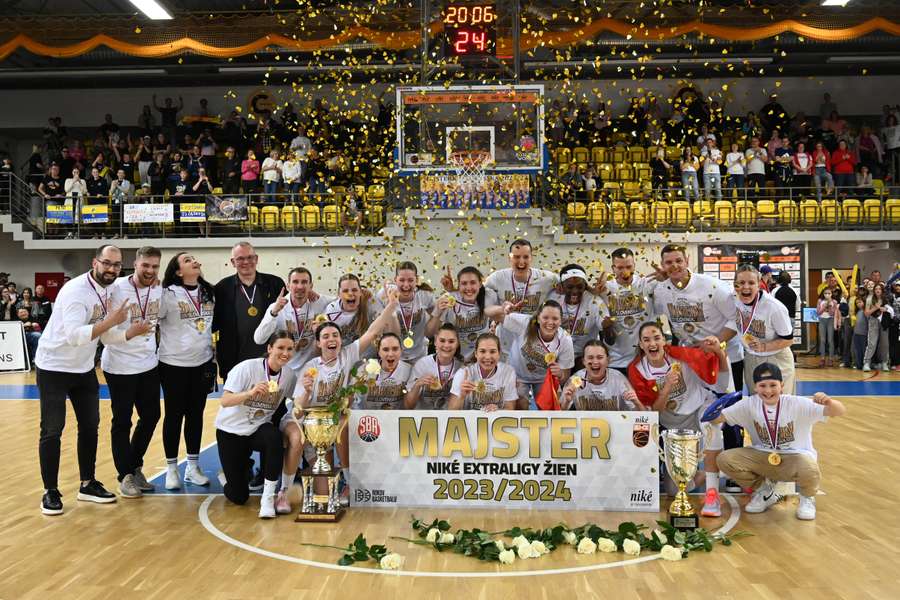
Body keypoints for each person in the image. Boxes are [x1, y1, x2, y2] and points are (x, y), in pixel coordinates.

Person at [35, 245, 152, 515]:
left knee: (90, 426)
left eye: (116, 265)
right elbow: (75, 336)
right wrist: (112, 320)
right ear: (94, 262)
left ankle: (87, 484)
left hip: (84, 367)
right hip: (54, 367)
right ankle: (50, 491)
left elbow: (105, 335)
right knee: (52, 430)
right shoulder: (76, 292)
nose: (112, 269)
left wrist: (128, 333)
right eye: (107, 263)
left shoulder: (110, 291)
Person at [287, 288, 400, 509]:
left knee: (343, 424)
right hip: (312, 425)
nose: (332, 339)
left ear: (341, 340)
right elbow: (298, 411)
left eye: (335, 335)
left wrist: (391, 306)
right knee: (323, 495)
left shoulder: (347, 355)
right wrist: (307, 393)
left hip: (335, 421)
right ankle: (285, 490)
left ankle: (349, 483)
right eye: (326, 336)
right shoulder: (309, 369)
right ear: (318, 343)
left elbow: (373, 331)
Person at [712, 363, 846, 521]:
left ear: (781, 386)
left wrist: (829, 403)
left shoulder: (797, 403)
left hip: (795, 459)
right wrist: (711, 410)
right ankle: (765, 492)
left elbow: (839, 411)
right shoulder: (749, 404)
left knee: (809, 465)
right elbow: (720, 418)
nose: (768, 391)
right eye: (762, 385)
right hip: (763, 457)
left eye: (773, 385)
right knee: (725, 459)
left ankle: (807, 498)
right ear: (755, 387)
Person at [628, 322, 731, 517]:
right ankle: (708, 472)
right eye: (647, 339)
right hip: (670, 425)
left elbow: (720, 383)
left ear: (664, 341)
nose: (652, 343)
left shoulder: (683, 356)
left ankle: (712, 495)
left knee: (712, 422)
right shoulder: (636, 370)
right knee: (674, 491)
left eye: (657, 338)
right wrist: (666, 387)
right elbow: (654, 414)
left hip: (697, 411)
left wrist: (718, 352)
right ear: (641, 345)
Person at [100, 246, 163, 498]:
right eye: (145, 265)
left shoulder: (158, 288)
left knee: (151, 416)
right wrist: (129, 332)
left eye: (154, 266)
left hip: (148, 364)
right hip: (119, 366)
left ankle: (134, 466)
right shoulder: (116, 290)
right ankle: (124, 475)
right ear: (135, 264)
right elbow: (104, 335)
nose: (149, 270)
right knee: (122, 421)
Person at [216, 331, 297, 518]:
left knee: (275, 437)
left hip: (257, 428)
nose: (285, 353)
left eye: (290, 349)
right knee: (238, 497)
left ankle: (268, 498)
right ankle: (231, 475)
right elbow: (225, 400)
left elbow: (298, 399)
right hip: (230, 431)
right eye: (280, 348)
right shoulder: (247, 368)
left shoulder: (289, 376)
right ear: (269, 348)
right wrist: (249, 394)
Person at [157, 252, 216, 490]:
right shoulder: (167, 294)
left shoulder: (209, 292)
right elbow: (152, 322)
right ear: (178, 271)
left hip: (201, 363)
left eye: (194, 258)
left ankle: (192, 466)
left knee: (196, 415)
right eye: (187, 259)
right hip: (173, 364)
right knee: (173, 415)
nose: (194, 260)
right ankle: (172, 468)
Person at [213, 242, 286, 381]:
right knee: (236, 401)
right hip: (234, 361)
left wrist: (309, 292)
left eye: (250, 257)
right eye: (240, 258)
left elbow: (291, 307)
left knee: (272, 400)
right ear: (233, 262)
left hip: (270, 359)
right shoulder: (222, 288)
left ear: (256, 259)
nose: (246, 262)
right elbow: (212, 320)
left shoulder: (275, 283)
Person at [494, 299, 575, 410]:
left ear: (561, 321)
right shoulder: (526, 322)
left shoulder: (565, 339)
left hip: (544, 378)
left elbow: (565, 376)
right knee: (519, 405)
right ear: (538, 318)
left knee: (551, 408)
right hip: (517, 374)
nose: (550, 322)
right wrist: (503, 309)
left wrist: (560, 374)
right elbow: (494, 315)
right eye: (545, 317)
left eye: (555, 318)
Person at [253, 267, 334, 374]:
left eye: (304, 282)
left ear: (311, 285)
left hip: (312, 369)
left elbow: (343, 301)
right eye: (295, 282)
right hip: (285, 370)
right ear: (288, 286)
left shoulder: (320, 301)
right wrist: (273, 313)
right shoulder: (277, 307)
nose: (300, 286)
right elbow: (259, 339)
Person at [734, 265, 796, 394]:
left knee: (779, 404)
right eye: (741, 283)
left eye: (751, 283)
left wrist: (764, 347)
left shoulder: (774, 307)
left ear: (758, 285)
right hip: (751, 357)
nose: (746, 287)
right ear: (735, 285)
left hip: (777, 358)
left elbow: (788, 340)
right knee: (757, 403)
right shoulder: (733, 301)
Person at [597, 247, 656, 376]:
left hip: (643, 359)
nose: (625, 272)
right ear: (613, 268)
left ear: (634, 266)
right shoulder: (605, 289)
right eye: (620, 268)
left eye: (629, 267)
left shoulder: (647, 284)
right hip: (615, 360)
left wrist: (666, 278)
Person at [431, 266, 502, 361]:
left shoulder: (489, 296)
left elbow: (500, 316)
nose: (469, 287)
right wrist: (437, 313)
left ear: (480, 283)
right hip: (455, 358)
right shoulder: (448, 300)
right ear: (459, 285)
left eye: (473, 282)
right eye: (464, 283)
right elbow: (431, 332)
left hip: (482, 359)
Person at [547, 264, 609, 369]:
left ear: (585, 286)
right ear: (561, 286)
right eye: (570, 287)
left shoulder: (594, 302)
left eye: (580, 287)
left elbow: (609, 339)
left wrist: (608, 327)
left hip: (583, 357)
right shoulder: (553, 298)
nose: (575, 291)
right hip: (558, 354)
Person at [376, 261, 436, 364]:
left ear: (416, 280)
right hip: (393, 355)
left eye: (410, 280)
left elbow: (434, 322)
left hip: (419, 354)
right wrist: (391, 304)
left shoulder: (425, 295)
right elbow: (392, 333)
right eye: (402, 280)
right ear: (395, 280)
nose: (406, 285)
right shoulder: (384, 294)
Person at [323, 273, 393, 360]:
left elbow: (385, 322)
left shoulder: (370, 302)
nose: (350, 294)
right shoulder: (331, 310)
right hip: (345, 360)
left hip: (370, 361)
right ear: (339, 294)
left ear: (360, 292)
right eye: (345, 291)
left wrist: (390, 298)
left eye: (354, 290)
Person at [482, 239, 559, 316]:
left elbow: (565, 281)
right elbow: (482, 303)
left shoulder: (546, 278)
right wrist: (501, 309)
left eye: (526, 257)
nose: (521, 262)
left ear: (531, 258)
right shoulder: (497, 278)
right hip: (506, 326)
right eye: (516, 257)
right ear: (509, 258)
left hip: (533, 327)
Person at [561, 340, 641, 411]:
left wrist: (636, 402)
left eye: (600, 357)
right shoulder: (575, 380)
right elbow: (557, 415)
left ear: (608, 360)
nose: (595, 362)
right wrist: (566, 401)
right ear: (583, 361)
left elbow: (642, 415)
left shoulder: (618, 379)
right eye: (590, 357)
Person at [448, 333, 518, 411]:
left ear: (499, 354)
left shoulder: (508, 372)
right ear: (476, 354)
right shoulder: (464, 373)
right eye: (482, 351)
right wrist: (461, 396)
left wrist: (498, 411)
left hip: (496, 421)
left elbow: (510, 408)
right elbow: (451, 410)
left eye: (492, 352)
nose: (487, 357)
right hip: (470, 421)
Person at [405, 323, 464, 409]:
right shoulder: (422, 365)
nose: (446, 345)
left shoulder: (461, 367)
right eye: (442, 341)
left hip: (449, 419)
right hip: (424, 418)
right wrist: (417, 385)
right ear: (436, 341)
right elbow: (408, 405)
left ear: (458, 343)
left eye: (451, 341)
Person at [355, 333, 411, 410]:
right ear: (379, 352)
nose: (390, 354)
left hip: (396, 419)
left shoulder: (409, 371)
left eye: (395, 349)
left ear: (401, 351)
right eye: (385, 349)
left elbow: (411, 405)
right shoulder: (365, 369)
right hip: (369, 418)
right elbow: (354, 401)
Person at [863, 283, 890, 372]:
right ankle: (867, 362)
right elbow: (866, 313)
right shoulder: (870, 299)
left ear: (882, 290)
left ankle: (884, 362)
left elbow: (891, 310)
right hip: (873, 321)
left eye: (879, 289)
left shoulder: (886, 298)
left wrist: (885, 309)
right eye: (876, 289)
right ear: (874, 290)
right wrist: (876, 307)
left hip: (884, 321)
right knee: (872, 343)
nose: (878, 290)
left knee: (885, 343)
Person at [816, 287, 840, 367]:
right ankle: (822, 358)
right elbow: (818, 312)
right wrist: (824, 306)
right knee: (822, 340)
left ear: (831, 294)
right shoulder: (820, 301)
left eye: (829, 293)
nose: (827, 295)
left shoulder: (834, 302)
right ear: (823, 294)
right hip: (822, 320)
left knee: (830, 340)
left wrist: (830, 305)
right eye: (825, 293)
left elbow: (832, 313)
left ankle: (830, 359)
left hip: (830, 320)